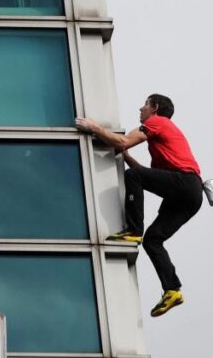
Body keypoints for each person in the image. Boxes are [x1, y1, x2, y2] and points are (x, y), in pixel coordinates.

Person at [76, 94, 203, 317]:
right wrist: (124, 155)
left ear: (154, 107)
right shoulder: (163, 141)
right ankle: (172, 290)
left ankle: (133, 231)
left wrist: (94, 127)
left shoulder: (157, 122)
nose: (140, 108)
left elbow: (124, 143)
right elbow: (142, 171)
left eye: (145, 104)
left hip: (185, 184)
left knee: (133, 177)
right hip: (190, 195)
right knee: (153, 240)